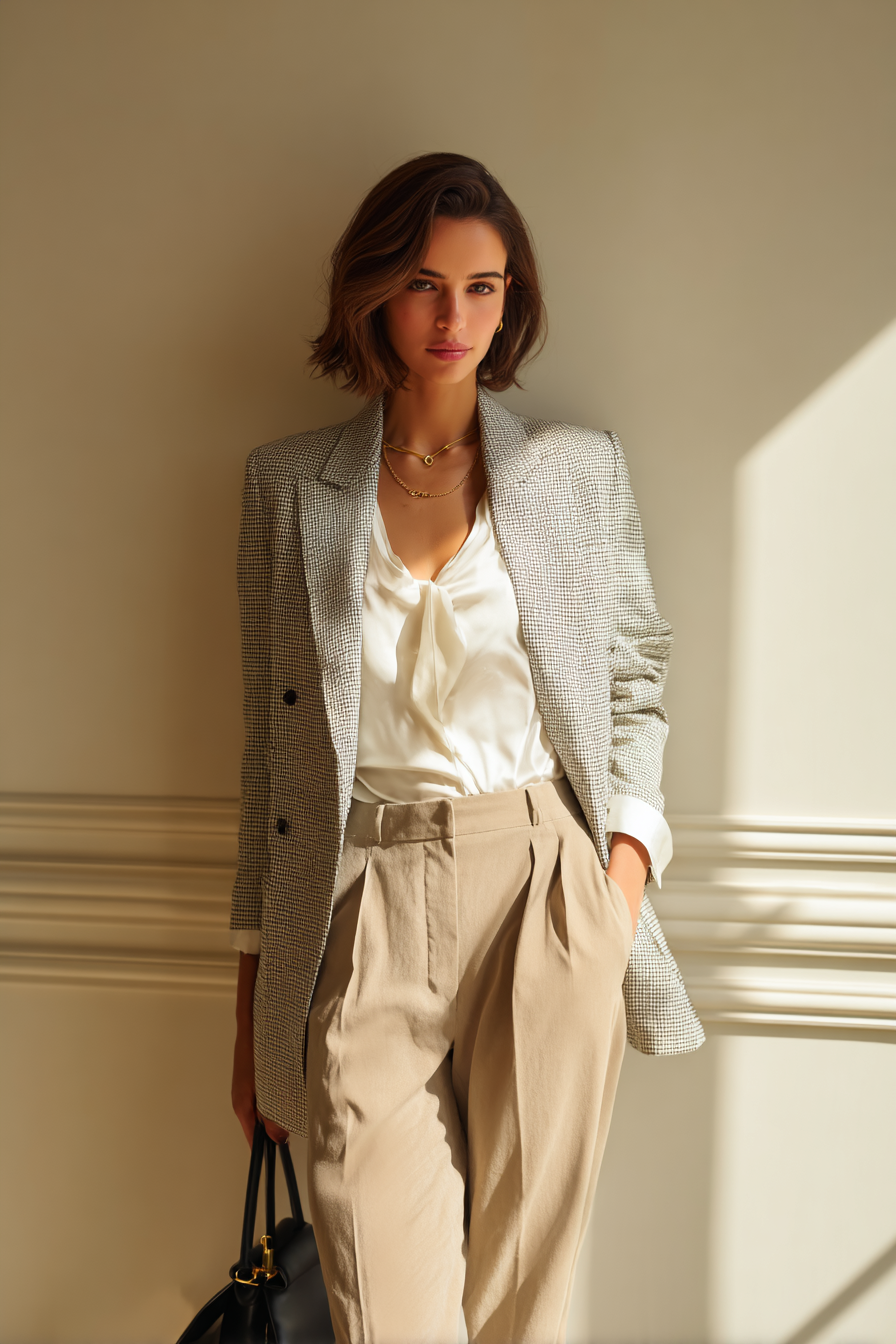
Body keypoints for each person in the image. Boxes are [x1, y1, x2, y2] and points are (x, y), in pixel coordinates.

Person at [229, 152, 703, 1344]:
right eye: (426, 285)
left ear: (512, 299)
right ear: (373, 293)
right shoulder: (288, 487)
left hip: (545, 888)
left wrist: (617, 887)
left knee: (518, 1313)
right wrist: (254, 1017)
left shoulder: (573, 471)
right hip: (362, 899)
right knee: (388, 1312)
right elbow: (270, 765)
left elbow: (635, 683)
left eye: (483, 288)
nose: (454, 320)